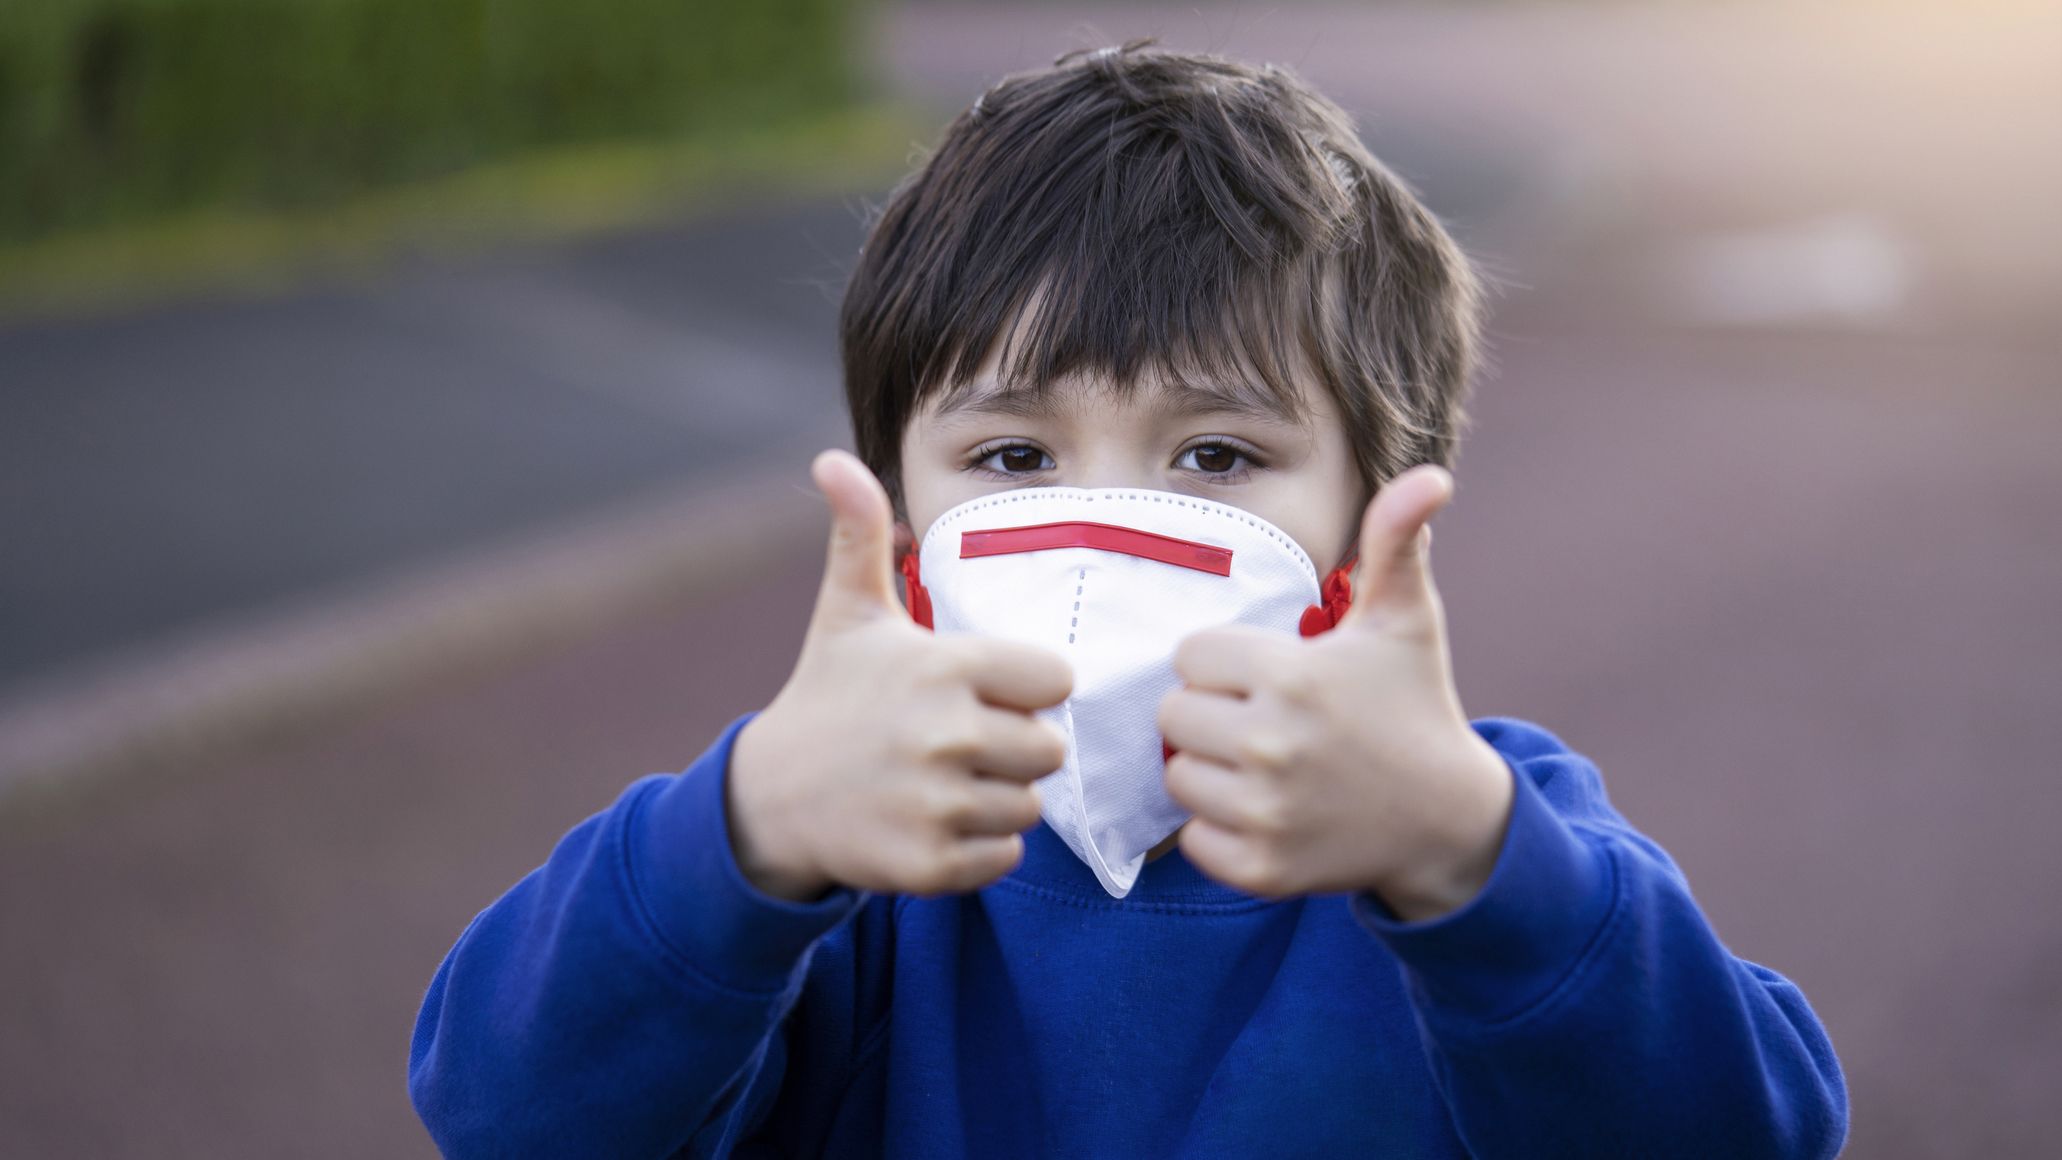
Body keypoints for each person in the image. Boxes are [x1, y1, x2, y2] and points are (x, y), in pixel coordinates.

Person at [408, 44, 1847, 1158]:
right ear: (903, 518)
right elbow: (504, 1108)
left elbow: (1745, 1129)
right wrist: (749, 831)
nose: (1092, 531)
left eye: (1216, 455)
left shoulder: (1470, 827)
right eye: (1012, 458)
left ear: (1368, 511)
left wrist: (1475, 866)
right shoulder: (834, 845)